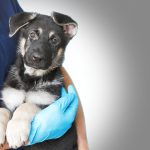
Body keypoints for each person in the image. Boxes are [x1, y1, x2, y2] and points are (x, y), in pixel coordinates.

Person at [0, 0, 89, 150]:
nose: (38, 53)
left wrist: (83, 142)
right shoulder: (12, 81)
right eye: (33, 35)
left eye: (53, 40)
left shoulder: (6, 3)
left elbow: (61, 72)